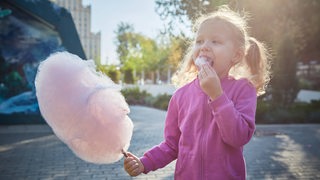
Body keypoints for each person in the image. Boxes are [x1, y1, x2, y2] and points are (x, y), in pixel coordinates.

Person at [123, 5, 270, 180]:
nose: (204, 47)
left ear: (236, 55)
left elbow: (238, 137)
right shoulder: (180, 96)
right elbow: (172, 145)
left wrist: (217, 96)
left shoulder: (243, 89)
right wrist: (144, 163)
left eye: (215, 41)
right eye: (199, 41)